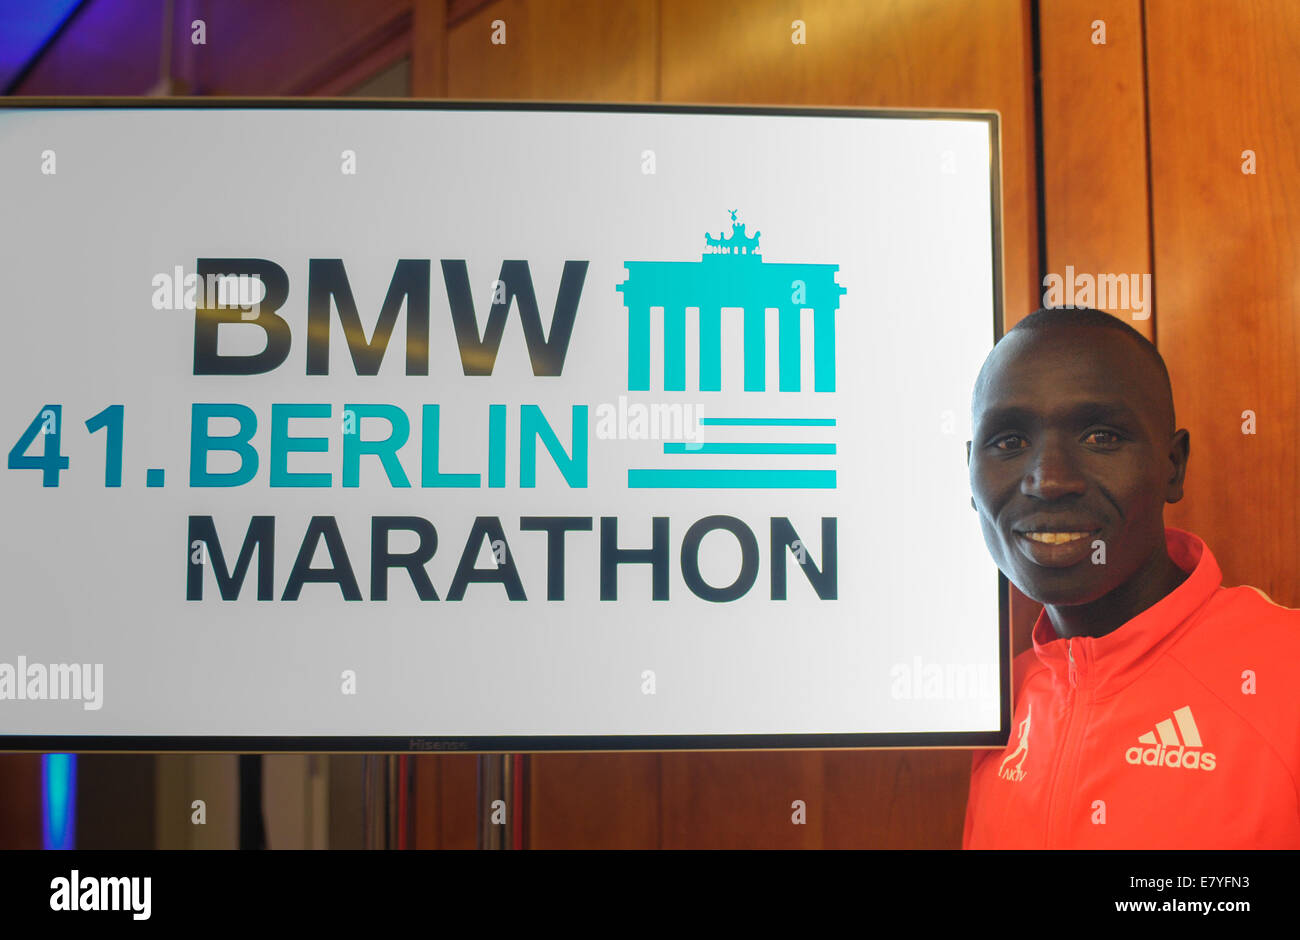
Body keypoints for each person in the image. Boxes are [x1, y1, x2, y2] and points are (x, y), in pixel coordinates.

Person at [962, 306, 1300, 848]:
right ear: (970, 475)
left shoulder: (1288, 671)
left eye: (1100, 436)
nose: (1049, 480)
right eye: (1008, 442)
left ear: (1173, 465)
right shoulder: (995, 703)